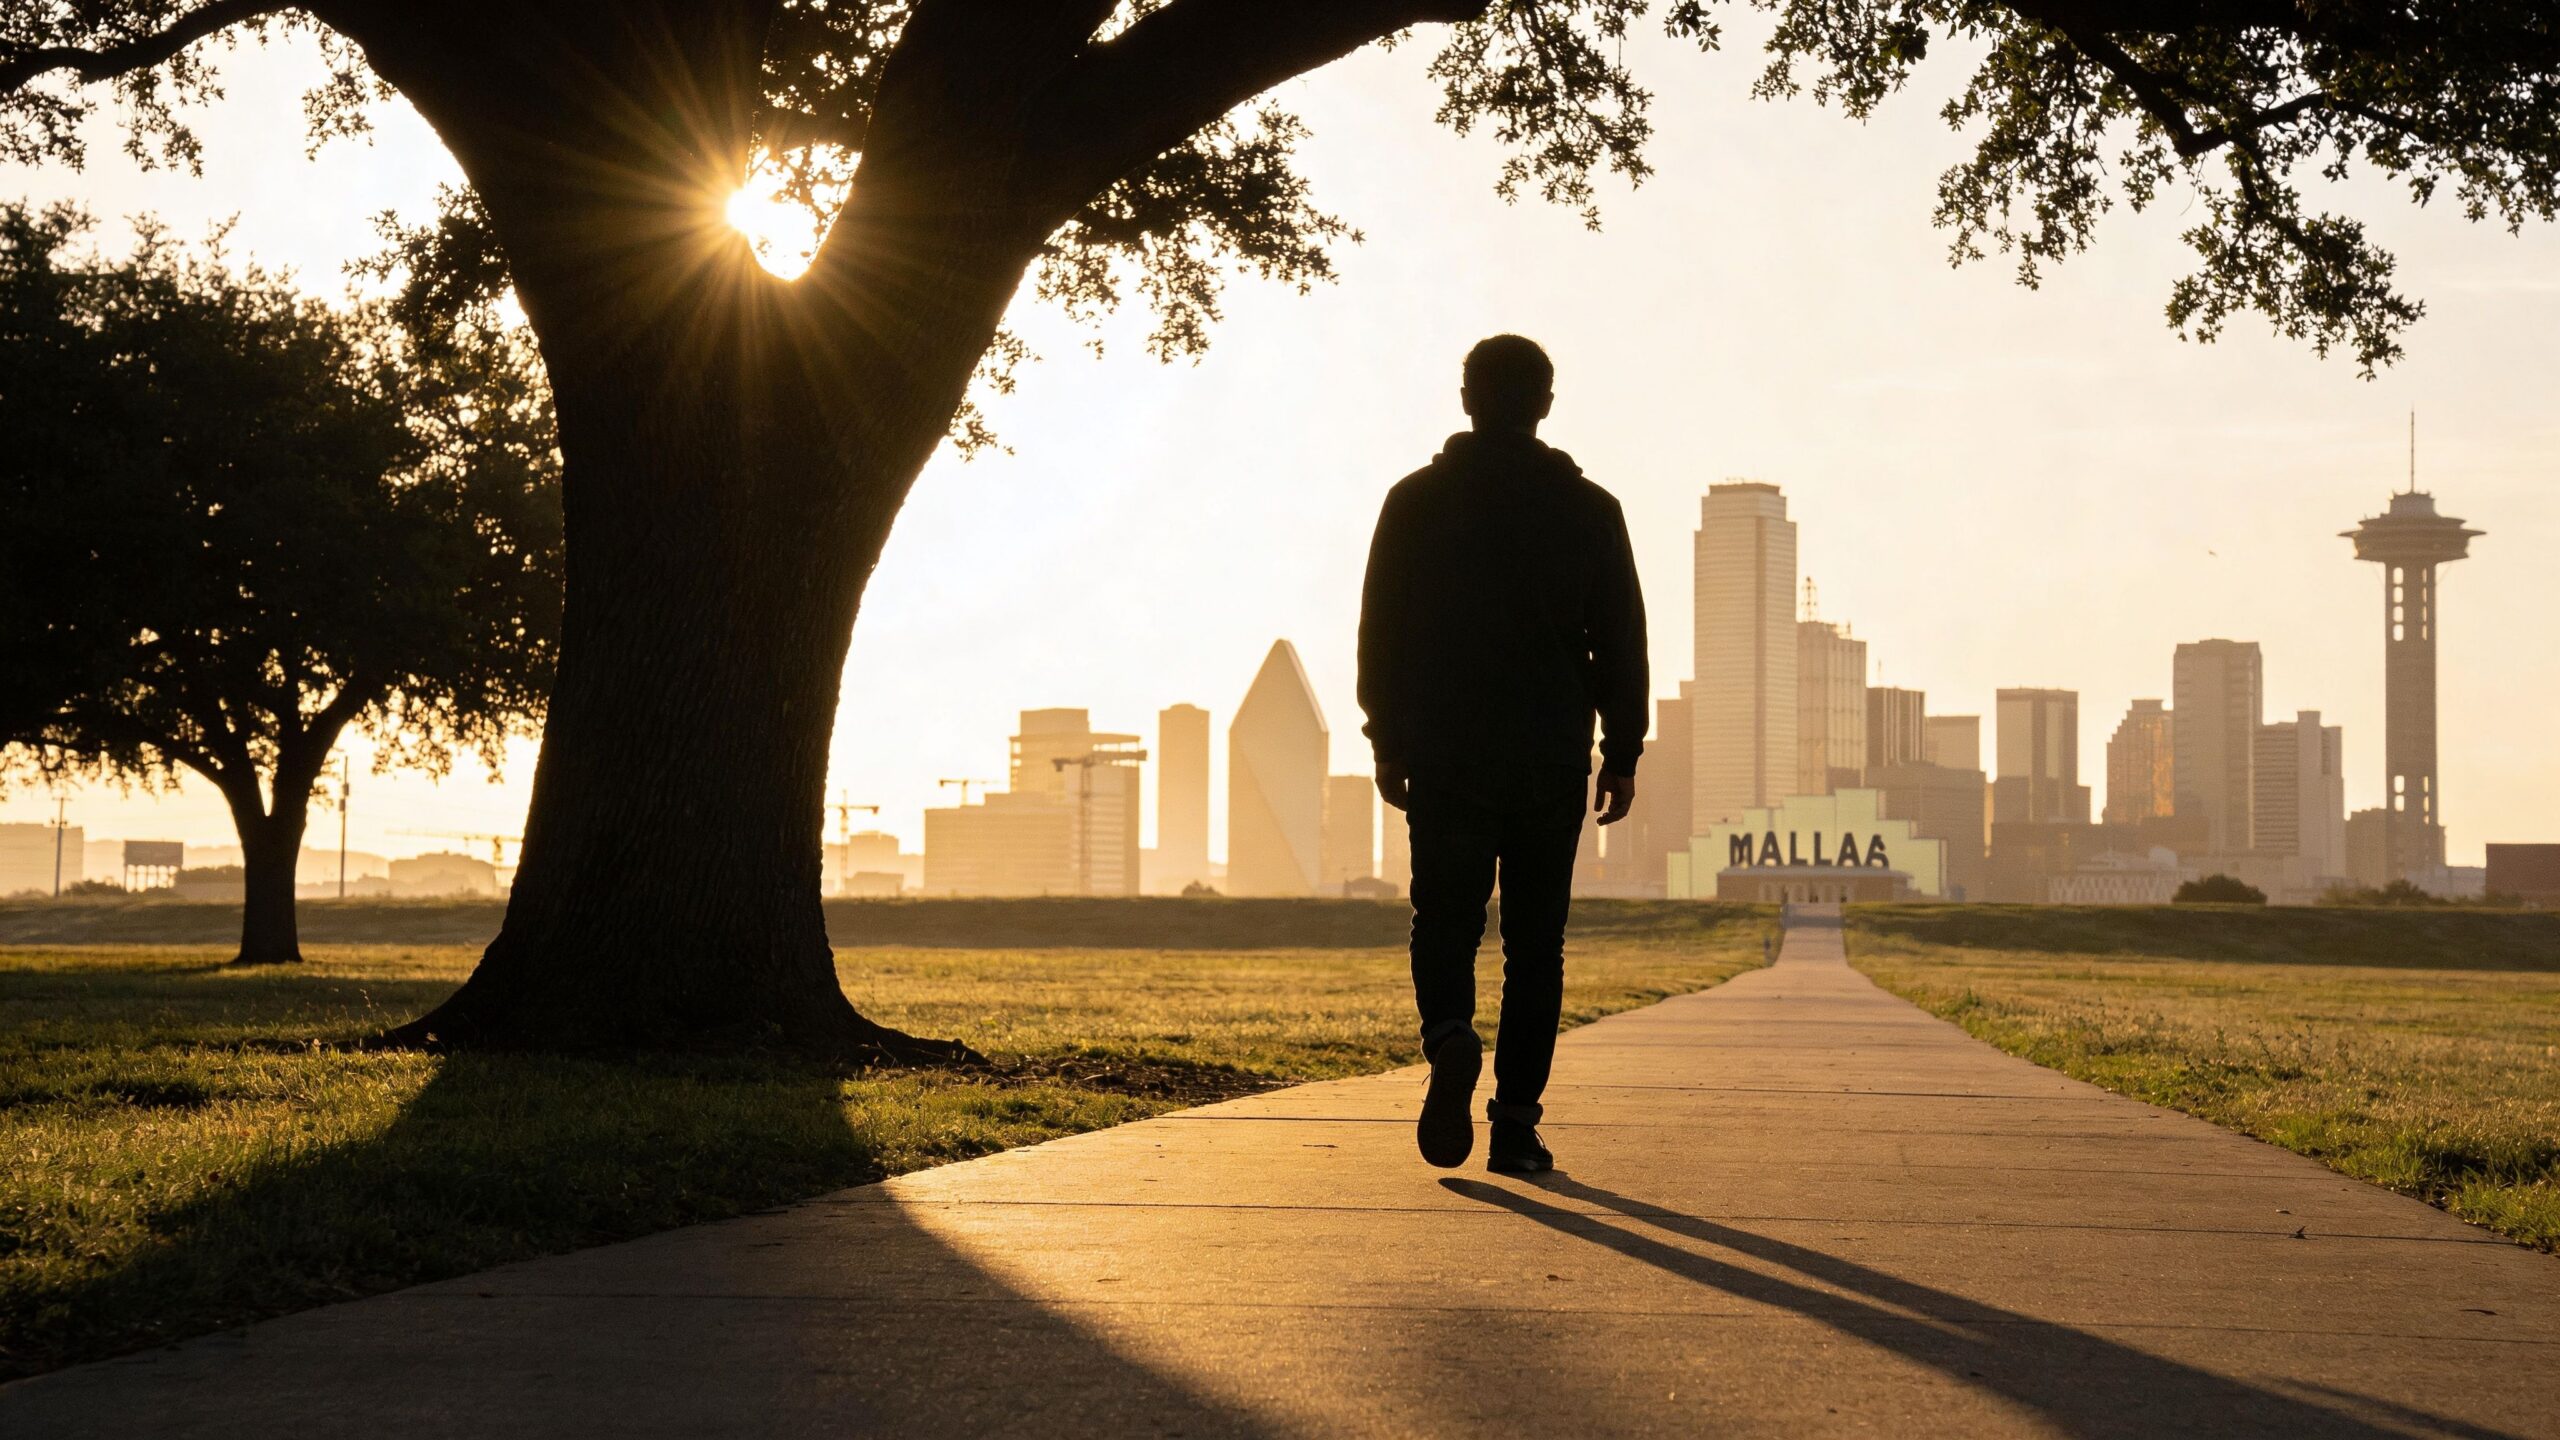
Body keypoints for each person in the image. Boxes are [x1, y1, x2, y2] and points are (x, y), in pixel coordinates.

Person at [1357, 334, 1649, 1174]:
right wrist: (1621, 750)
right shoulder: (1592, 511)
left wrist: (1388, 740)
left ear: (1465, 398)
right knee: (1535, 944)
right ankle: (1515, 1128)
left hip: (1447, 753)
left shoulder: (1413, 503)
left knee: (1443, 920)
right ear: (1546, 405)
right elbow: (1620, 640)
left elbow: (1383, 634)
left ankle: (1451, 1035)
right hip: (1548, 756)